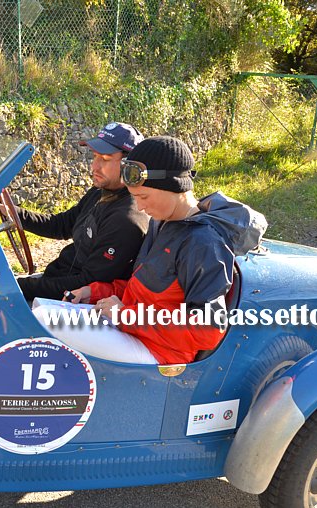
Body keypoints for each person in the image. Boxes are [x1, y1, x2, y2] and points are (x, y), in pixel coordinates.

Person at [32, 136, 267, 364]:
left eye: (143, 196)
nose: (141, 207)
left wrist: (125, 315)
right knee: (39, 308)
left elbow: (208, 329)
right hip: (134, 330)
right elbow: (145, 290)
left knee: (44, 321)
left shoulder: (202, 242)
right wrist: (93, 292)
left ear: (174, 187)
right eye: (135, 197)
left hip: (162, 352)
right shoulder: (163, 223)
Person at [2, 122, 149, 301]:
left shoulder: (125, 220)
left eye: (105, 158)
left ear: (128, 166)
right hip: (55, 280)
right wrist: (13, 212)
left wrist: (20, 287)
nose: (95, 166)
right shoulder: (99, 193)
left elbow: (89, 282)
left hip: (71, 301)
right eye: (95, 156)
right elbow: (61, 225)